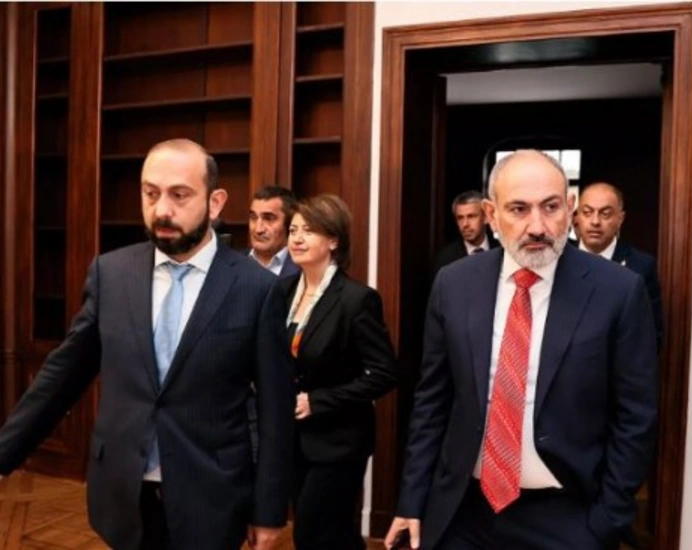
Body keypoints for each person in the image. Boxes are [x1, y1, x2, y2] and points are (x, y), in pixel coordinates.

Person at [0, 139, 294, 550]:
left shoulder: (257, 288)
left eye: (179, 195)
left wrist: (269, 509)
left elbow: (275, 410)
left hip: (212, 496)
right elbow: (62, 376)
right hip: (122, 491)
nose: (161, 210)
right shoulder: (111, 273)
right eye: (150, 193)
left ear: (215, 202)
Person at [384, 150, 658, 550]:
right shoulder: (453, 284)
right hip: (463, 511)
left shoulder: (618, 290)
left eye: (551, 207)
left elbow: (636, 415)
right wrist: (412, 499)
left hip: (568, 516)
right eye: (518, 209)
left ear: (569, 207)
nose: (537, 226)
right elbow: (432, 402)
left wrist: (605, 520)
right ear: (492, 215)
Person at [282, 194, 398, 550]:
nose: (297, 238)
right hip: (294, 439)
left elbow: (384, 373)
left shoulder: (356, 299)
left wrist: (319, 401)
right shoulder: (283, 291)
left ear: (333, 240)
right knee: (334, 535)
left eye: (308, 230)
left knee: (312, 533)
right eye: (293, 230)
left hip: (339, 441)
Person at [576, 182, 664, 349]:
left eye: (605, 214)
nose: (595, 221)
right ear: (577, 217)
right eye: (587, 213)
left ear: (620, 219)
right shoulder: (559, 259)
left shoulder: (640, 266)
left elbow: (650, 335)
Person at [433, 190, 499, 274]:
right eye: (460, 218)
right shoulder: (446, 259)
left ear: (486, 217)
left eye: (471, 216)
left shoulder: (502, 250)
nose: (465, 224)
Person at [248, 185, 300, 278]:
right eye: (253, 217)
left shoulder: (304, 268)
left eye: (269, 218)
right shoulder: (229, 265)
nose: (258, 229)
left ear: (290, 222)